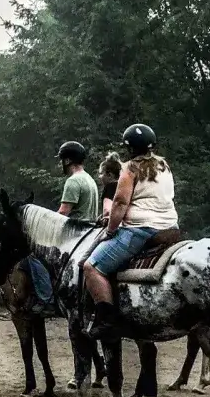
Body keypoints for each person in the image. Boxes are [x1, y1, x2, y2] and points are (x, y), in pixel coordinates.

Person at [82, 124, 177, 338]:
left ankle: (107, 321)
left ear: (129, 147)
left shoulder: (130, 168)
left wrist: (111, 228)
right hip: (171, 228)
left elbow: (120, 202)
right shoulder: (164, 164)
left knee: (91, 267)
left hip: (141, 230)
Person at [56, 141, 100, 221]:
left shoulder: (73, 181)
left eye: (61, 160)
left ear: (67, 161)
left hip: (75, 231)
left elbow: (63, 213)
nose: (59, 164)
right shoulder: (89, 179)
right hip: (90, 230)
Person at [97, 151, 124, 225]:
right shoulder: (124, 186)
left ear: (109, 175)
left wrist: (104, 218)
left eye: (101, 173)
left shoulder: (110, 187)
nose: (100, 177)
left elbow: (107, 211)